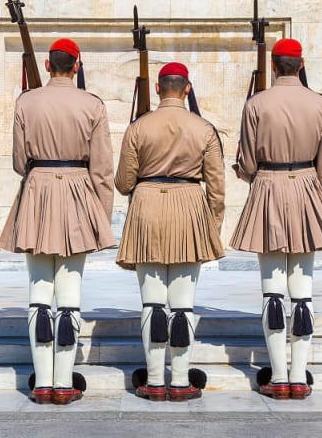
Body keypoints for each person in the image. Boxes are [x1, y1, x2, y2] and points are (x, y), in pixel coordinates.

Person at [0, 38, 114, 406]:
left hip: (38, 192)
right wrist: (102, 218)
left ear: (49, 66)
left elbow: (19, 162)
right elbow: (102, 169)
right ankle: (64, 382)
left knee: (38, 291)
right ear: (76, 66)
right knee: (70, 292)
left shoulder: (26, 102)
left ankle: (42, 382)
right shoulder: (92, 104)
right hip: (78, 192)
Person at [229, 38, 322, 400]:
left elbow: (247, 162)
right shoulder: (321, 104)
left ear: (275, 65)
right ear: (301, 63)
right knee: (303, 292)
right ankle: (298, 374)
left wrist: (246, 172)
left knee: (272, 291)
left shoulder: (256, 104)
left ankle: (278, 376)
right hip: (309, 189)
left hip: (269, 188)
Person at [115, 61, 225, 403]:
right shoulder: (204, 128)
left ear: (159, 89)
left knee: (152, 303)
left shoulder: (139, 127)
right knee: (182, 306)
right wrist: (212, 225)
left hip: (147, 207)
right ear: (187, 89)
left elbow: (123, 183)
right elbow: (217, 185)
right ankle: (179, 381)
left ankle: (152, 380)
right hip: (189, 207)